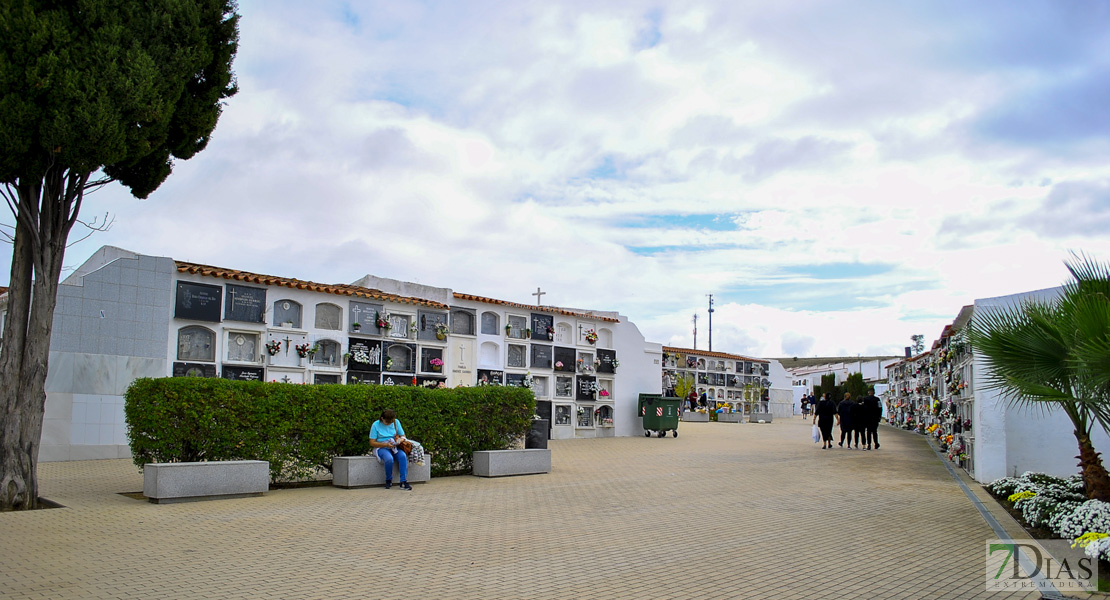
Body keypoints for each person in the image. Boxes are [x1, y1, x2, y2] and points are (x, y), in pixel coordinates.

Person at [369, 409, 412, 490]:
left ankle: (403, 481)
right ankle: (388, 479)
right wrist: (385, 444)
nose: (389, 424)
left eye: (391, 422)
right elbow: (372, 442)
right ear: (382, 418)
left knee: (403, 456)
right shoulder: (375, 425)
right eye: (387, 422)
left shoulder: (396, 422)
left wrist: (400, 440)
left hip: (395, 446)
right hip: (382, 447)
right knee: (389, 459)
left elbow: (403, 435)